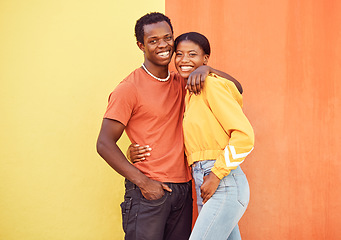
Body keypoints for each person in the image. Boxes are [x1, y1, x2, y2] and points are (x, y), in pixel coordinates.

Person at [96, 12, 242, 240]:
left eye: (167, 38)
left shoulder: (185, 80)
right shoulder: (128, 89)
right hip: (149, 191)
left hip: (183, 189)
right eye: (153, 41)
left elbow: (237, 88)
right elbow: (104, 143)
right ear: (141, 45)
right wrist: (144, 182)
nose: (163, 45)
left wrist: (207, 69)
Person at [129, 32, 254, 240]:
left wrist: (216, 174)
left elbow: (245, 136)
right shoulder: (189, 90)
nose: (184, 60)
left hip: (222, 180)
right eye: (179, 54)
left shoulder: (210, 84)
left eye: (192, 54)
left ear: (205, 59)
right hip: (205, 179)